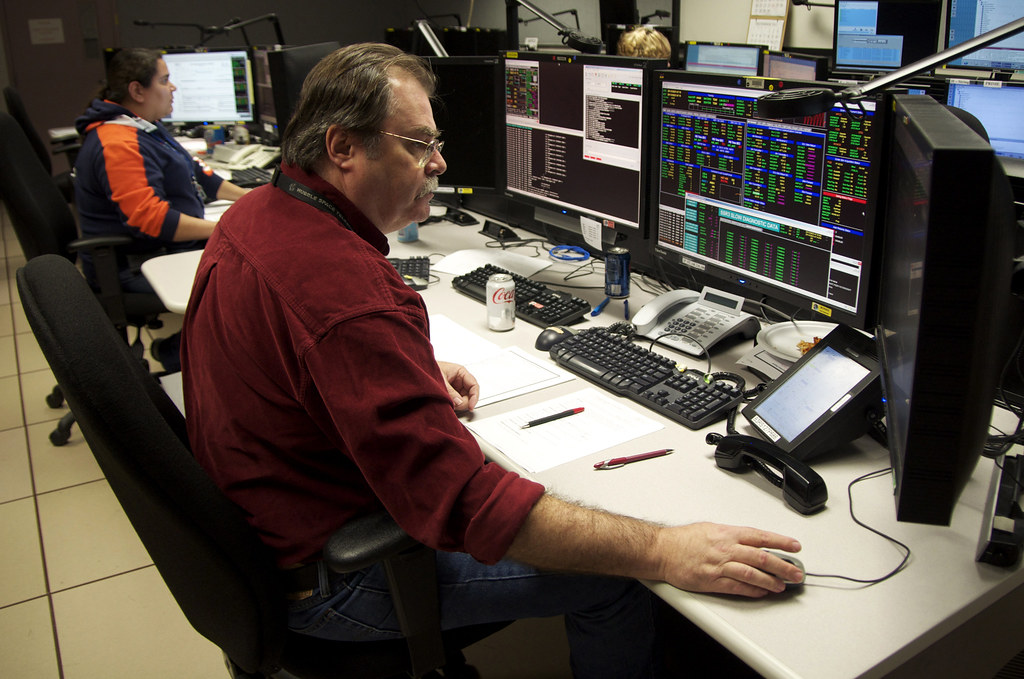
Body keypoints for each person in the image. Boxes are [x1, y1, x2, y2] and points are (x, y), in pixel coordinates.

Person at [181, 43, 803, 678]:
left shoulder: (259, 212)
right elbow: (469, 504)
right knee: (625, 579)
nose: (439, 162)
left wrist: (407, 371)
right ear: (342, 148)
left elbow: (303, 361)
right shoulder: (342, 295)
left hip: (269, 531)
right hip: (333, 580)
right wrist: (664, 548)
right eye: (418, 145)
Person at [73, 47, 249, 370]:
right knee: (251, 281)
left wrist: (253, 198)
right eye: (165, 80)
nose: (173, 88)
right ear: (137, 91)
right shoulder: (117, 142)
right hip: (132, 266)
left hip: (160, 249)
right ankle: (181, 353)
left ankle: (186, 348)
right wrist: (226, 227)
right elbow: (150, 219)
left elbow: (200, 174)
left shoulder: (141, 126)